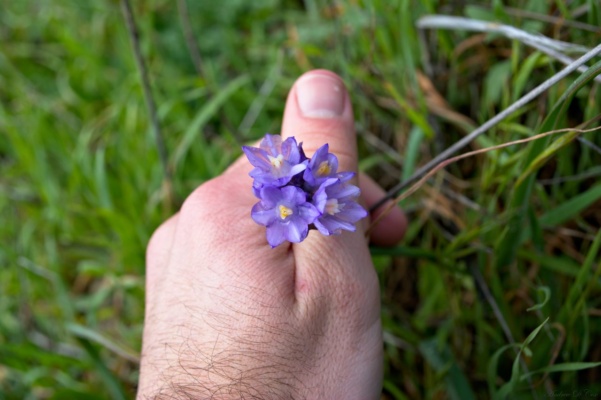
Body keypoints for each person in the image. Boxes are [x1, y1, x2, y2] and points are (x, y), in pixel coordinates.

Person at [138, 69, 407, 399]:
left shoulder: (308, 204)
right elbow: (285, 209)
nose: (276, 159)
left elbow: (310, 204)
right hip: (304, 203)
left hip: (313, 203)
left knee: (331, 207)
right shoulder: (283, 210)